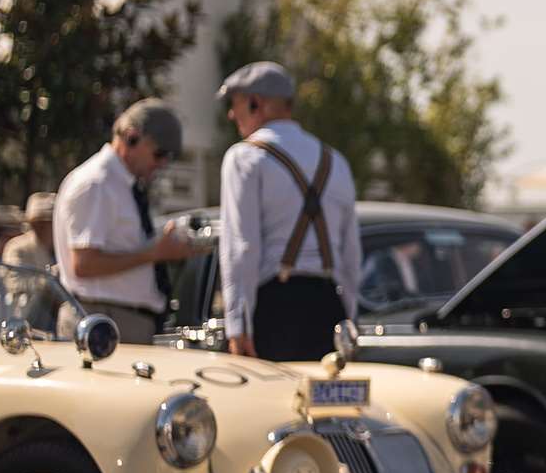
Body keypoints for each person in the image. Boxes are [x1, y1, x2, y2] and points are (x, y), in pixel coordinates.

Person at [217, 62, 360, 361]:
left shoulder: (244, 157)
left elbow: (241, 248)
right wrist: (349, 317)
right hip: (327, 305)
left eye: (237, 104)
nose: (232, 114)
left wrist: (238, 325)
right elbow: (351, 254)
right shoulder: (336, 161)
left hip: (273, 307)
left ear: (257, 103)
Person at [55, 99, 195, 345]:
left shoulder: (118, 184)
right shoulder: (97, 183)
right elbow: (84, 265)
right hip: (104, 322)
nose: (162, 164)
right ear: (132, 137)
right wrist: (154, 253)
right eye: (159, 154)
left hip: (114, 319)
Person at [0, 192, 63, 330]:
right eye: (42, 222)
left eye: (51, 221)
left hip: (60, 319)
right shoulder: (17, 247)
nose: (47, 227)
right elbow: (15, 283)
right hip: (27, 321)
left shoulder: (61, 248)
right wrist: (48, 278)